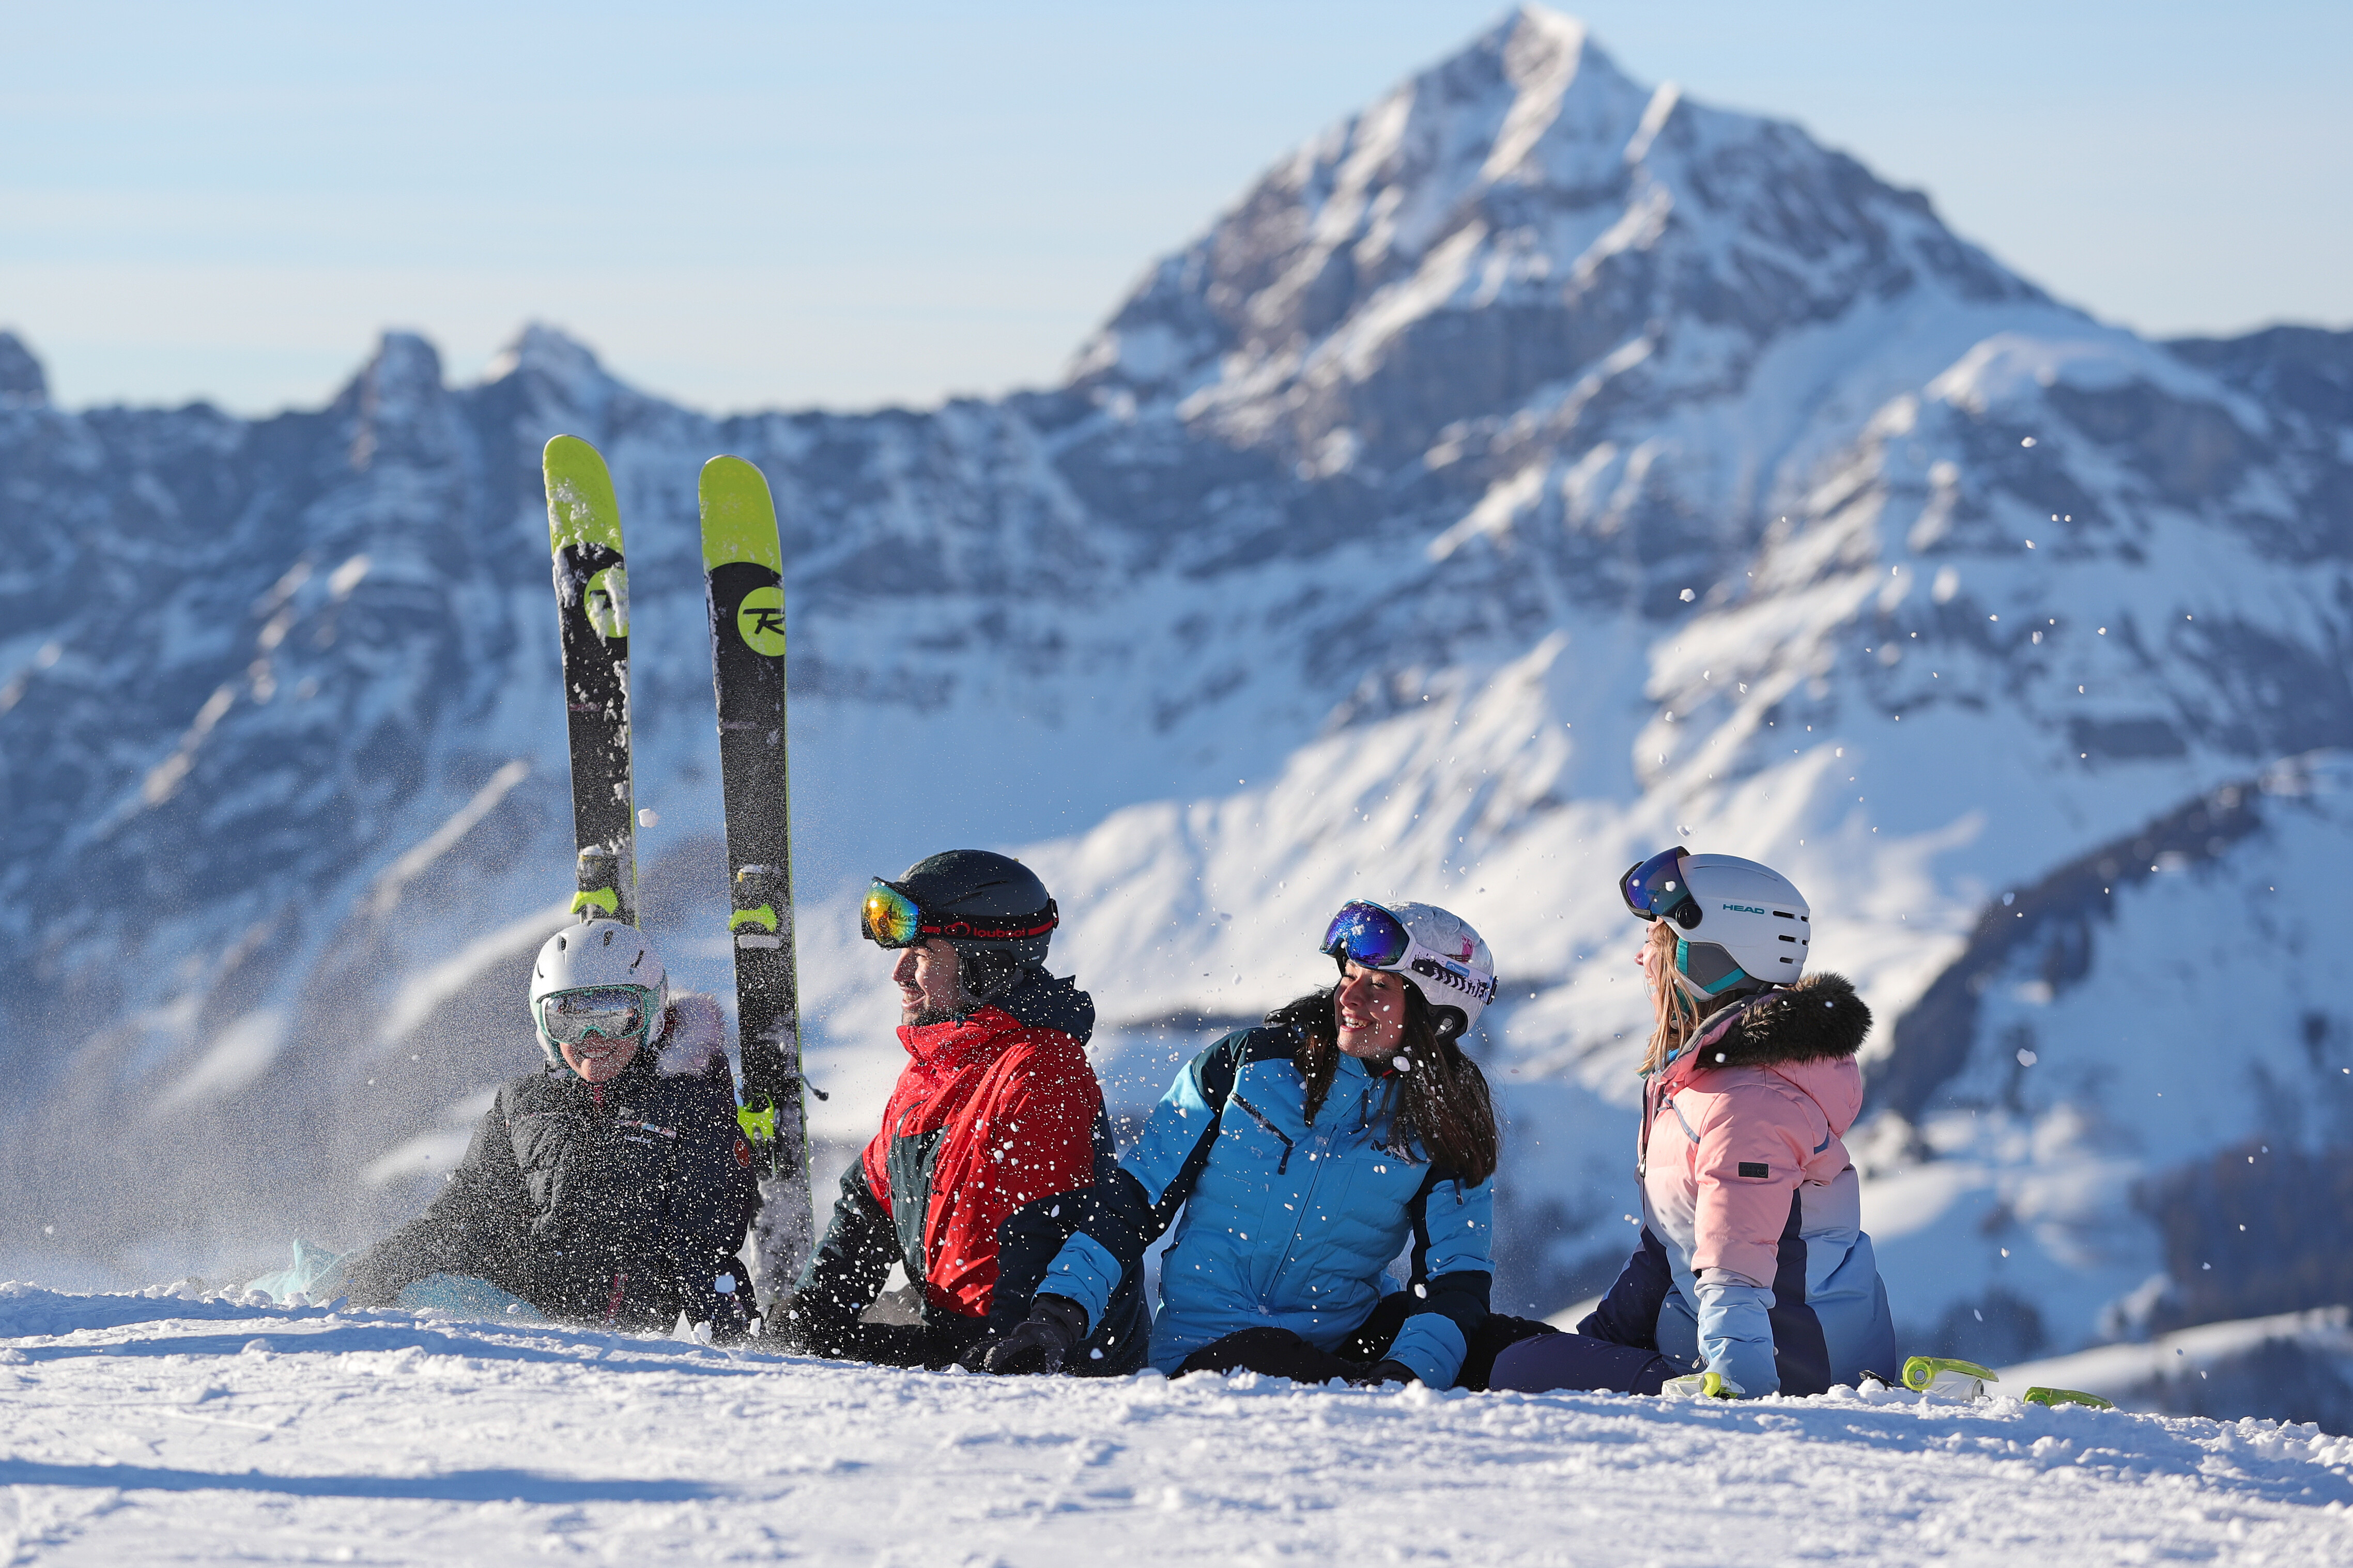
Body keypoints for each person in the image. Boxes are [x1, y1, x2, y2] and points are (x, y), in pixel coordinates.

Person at [988, 899, 1526, 1390]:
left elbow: (1455, 1281)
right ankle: (1361, 1394)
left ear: (1434, 1015)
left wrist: (1405, 1373)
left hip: (1347, 1342)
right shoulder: (1247, 1066)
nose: (1348, 997)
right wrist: (1055, 1317)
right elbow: (1130, 1205)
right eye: (1348, 976)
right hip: (1210, 1355)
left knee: (1507, 1345)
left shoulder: (1442, 1120)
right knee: (1266, 1350)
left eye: (1378, 986)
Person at [1490, 850, 1899, 1398]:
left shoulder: (1747, 1103)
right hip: (1734, 1354)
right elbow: (1664, 1254)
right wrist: (1586, 1351)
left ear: (1710, 957)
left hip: (1790, 1377)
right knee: (1506, 1349)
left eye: (1658, 941)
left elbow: (1736, 1274)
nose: (1642, 959)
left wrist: (1737, 1395)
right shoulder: (1701, 1086)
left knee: (1514, 1370)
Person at [772, 850, 1147, 1373]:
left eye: (922, 953)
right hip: (955, 1335)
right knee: (805, 1342)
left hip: (1047, 1366)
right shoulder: (935, 1067)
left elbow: (1036, 1258)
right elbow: (872, 1200)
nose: (899, 972)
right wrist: (813, 1310)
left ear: (984, 964)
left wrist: (966, 1356)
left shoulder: (1040, 1072)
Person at [338, 919, 759, 1336]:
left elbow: (704, 1253)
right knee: (346, 1275)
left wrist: (738, 1345)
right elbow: (460, 1218)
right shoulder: (520, 1106)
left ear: (651, 1013)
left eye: (615, 1014)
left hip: (619, 1349)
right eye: (568, 1017)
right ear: (544, 1027)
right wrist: (375, 1273)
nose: (593, 1036)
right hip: (515, 1332)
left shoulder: (689, 1107)